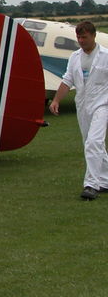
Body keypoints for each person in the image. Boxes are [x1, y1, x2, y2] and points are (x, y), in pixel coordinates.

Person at [49, 21, 108, 200]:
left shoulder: (105, 55)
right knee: (90, 144)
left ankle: (91, 185)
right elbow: (67, 80)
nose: (81, 40)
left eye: (84, 37)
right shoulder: (75, 57)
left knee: (94, 142)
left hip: (102, 105)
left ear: (93, 36)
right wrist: (56, 100)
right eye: (79, 37)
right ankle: (105, 180)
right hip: (83, 106)